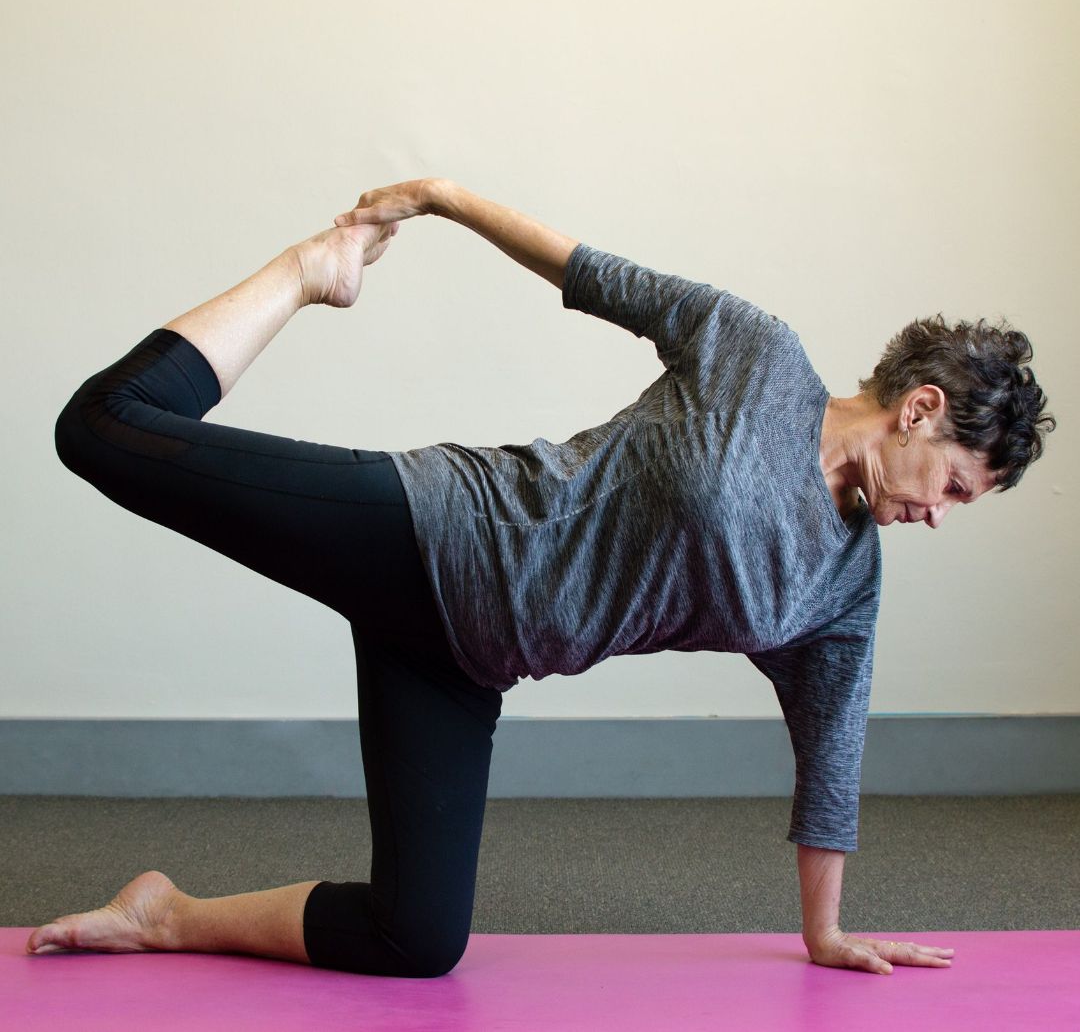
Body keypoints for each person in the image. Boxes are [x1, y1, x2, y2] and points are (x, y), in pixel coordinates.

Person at [29, 178, 1053, 977]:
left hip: (466, 659)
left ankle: (164, 914)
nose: (940, 514)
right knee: (106, 431)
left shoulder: (845, 583)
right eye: (956, 486)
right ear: (920, 409)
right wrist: (440, 198)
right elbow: (588, 272)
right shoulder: (760, 357)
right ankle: (301, 274)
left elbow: (830, 755)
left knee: (416, 939)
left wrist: (824, 933)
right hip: (437, 529)